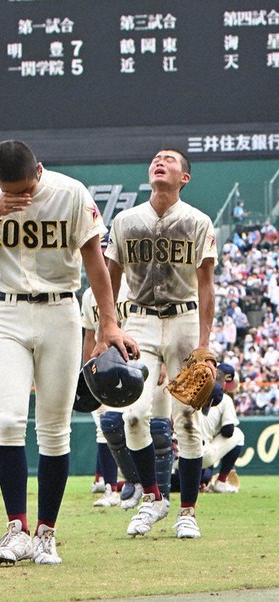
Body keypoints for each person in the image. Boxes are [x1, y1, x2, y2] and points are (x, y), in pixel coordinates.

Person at [0, 140, 138, 565]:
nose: (18, 196)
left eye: (23, 188)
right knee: (6, 421)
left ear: (38, 171)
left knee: (55, 429)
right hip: (6, 310)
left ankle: (46, 534)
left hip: (61, 310)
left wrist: (108, 322)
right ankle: (16, 530)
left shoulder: (70, 192)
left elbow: (95, 262)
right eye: (10, 190)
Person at [106, 149, 217, 539]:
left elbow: (206, 286)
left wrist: (204, 343)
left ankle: (187, 511)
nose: (160, 161)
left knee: (187, 419)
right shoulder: (125, 220)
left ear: (183, 178)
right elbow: (111, 275)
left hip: (185, 318)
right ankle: (154, 499)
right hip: (139, 321)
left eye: (170, 159)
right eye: (155, 158)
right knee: (133, 416)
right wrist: (110, 326)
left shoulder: (197, 221)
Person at [80, 236, 138, 509]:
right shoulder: (89, 294)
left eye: (107, 254)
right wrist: (85, 373)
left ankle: (139, 485)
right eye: (99, 254)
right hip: (105, 368)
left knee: (139, 425)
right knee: (104, 429)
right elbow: (90, 336)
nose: (102, 259)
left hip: (134, 363)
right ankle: (110, 489)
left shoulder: (132, 285)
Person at [199, 363, 244, 493]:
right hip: (201, 454)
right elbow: (228, 432)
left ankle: (200, 482)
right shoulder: (225, 400)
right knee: (238, 434)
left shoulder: (192, 393)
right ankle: (221, 481)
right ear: (223, 382)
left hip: (177, 456)